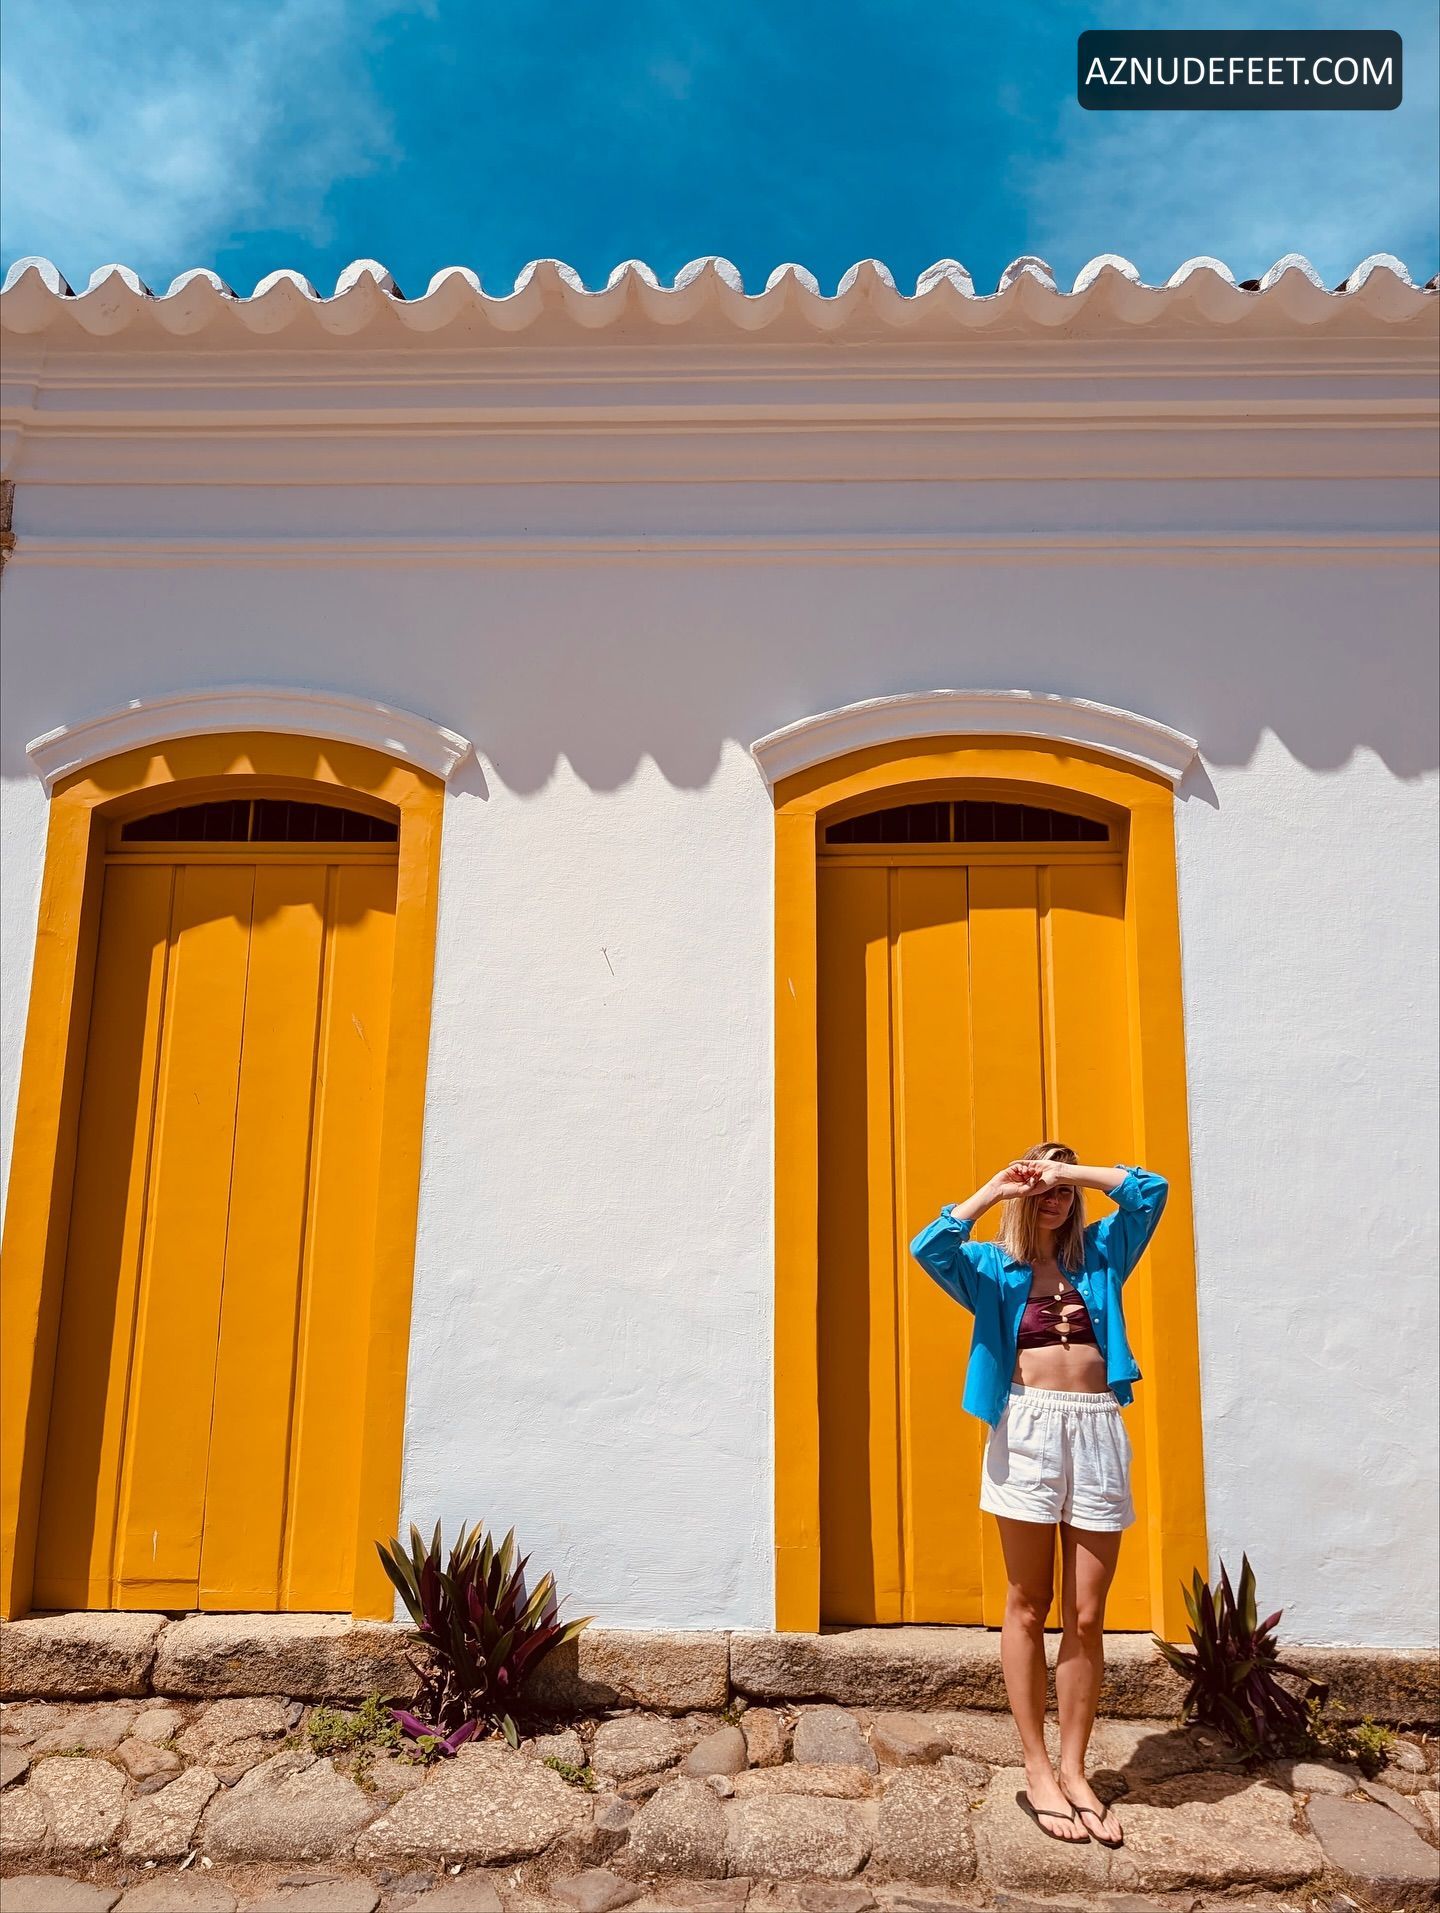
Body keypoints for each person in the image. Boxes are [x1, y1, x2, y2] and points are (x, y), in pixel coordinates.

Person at [909, 1143, 1169, 1848]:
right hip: (1026, 1429)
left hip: (1096, 1428)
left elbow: (1151, 1190)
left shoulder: (1104, 1251)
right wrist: (999, 1187)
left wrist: (1071, 1172)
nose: (1052, 1196)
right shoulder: (992, 1267)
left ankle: (1076, 1770)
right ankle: (1036, 1768)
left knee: (1088, 1612)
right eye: (1042, 1184)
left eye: (1061, 1187)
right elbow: (929, 1246)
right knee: (1029, 1602)